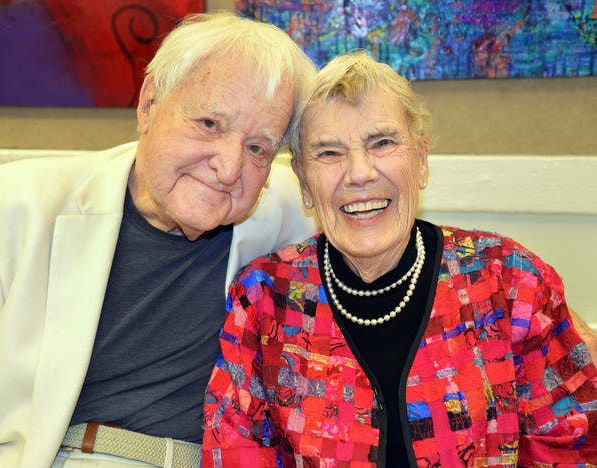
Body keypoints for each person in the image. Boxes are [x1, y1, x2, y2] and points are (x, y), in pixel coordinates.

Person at [0, 13, 318, 468]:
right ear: (149, 105)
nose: (230, 166)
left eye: (258, 148)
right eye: (210, 124)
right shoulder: (3, 211)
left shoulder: (291, 217)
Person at [202, 50, 596, 466]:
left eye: (383, 142)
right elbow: (235, 451)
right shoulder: (265, 298)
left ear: (421, 161)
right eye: (329, 153)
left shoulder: (508, 280)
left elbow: (573, 444)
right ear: (303, 183)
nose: (359, 173)